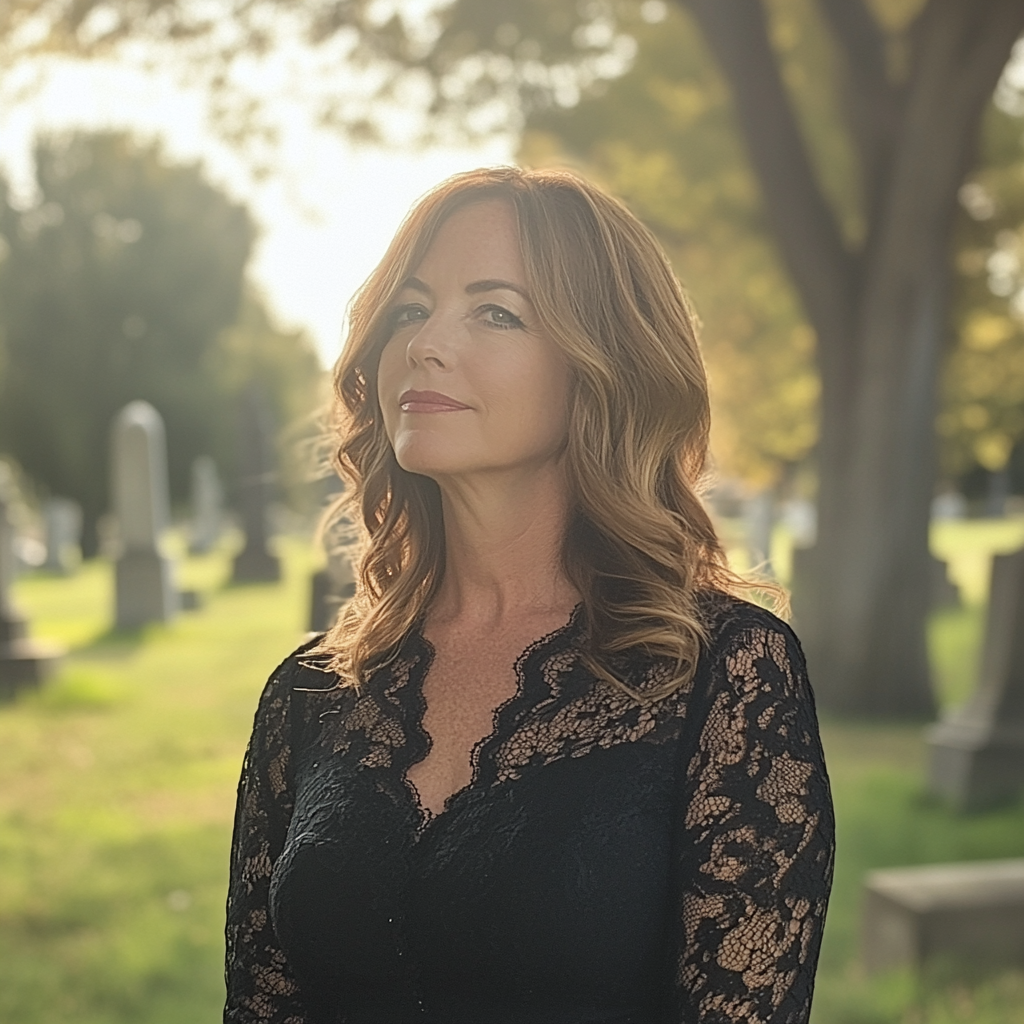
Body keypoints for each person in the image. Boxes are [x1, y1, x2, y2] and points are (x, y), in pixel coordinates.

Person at [224, 166, 835, 1024]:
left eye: (495, 311)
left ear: (600, 364)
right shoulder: (312, 691)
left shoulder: (725, 677)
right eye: (410, 308)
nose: (425, 343)